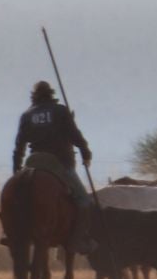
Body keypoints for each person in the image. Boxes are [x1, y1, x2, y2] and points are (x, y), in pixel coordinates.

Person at [12, 81, 95, 254]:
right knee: (84, 201)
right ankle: (77, 241)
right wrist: (85, 151)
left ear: (33, 96)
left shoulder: (26, 115)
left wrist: (16, 170)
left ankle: (10, 232)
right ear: (51, 94)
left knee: (16, 201)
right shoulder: (61, 111)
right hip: (60, 163)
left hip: (32, 163)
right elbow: (74, 135)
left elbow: (19, 146)